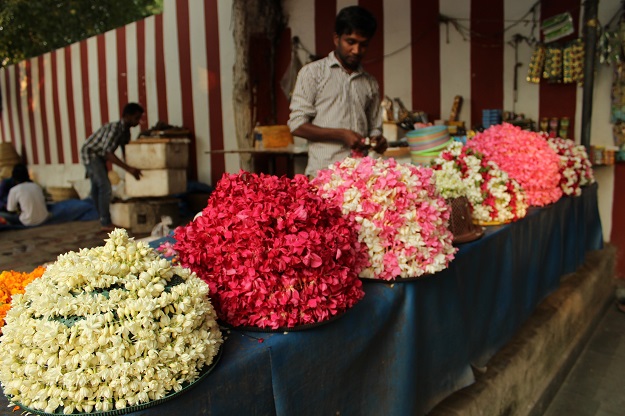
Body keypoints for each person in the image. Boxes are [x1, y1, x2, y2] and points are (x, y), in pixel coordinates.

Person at [288, 5, 388, 177]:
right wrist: (341, 134)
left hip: (361, 177)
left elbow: (375, 129)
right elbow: (297, 125)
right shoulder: (312, 73)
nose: (356, 50)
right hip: (324, 175)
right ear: (336, 39)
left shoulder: (370, 83)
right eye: (350, 42)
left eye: (363, 45)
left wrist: (379, 141)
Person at [81, 102, 144, 231]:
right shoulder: (115, 128)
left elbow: (125, 152)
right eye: (136, 117)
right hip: (91, 154)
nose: (138, 121)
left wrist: (133, 167)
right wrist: (128, 169)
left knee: (97, 186)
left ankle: (101, 218)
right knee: (104, 186)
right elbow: (107, 153)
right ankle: (105, 222)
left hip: (100, 156)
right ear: (127, 116)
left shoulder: (125, 132)